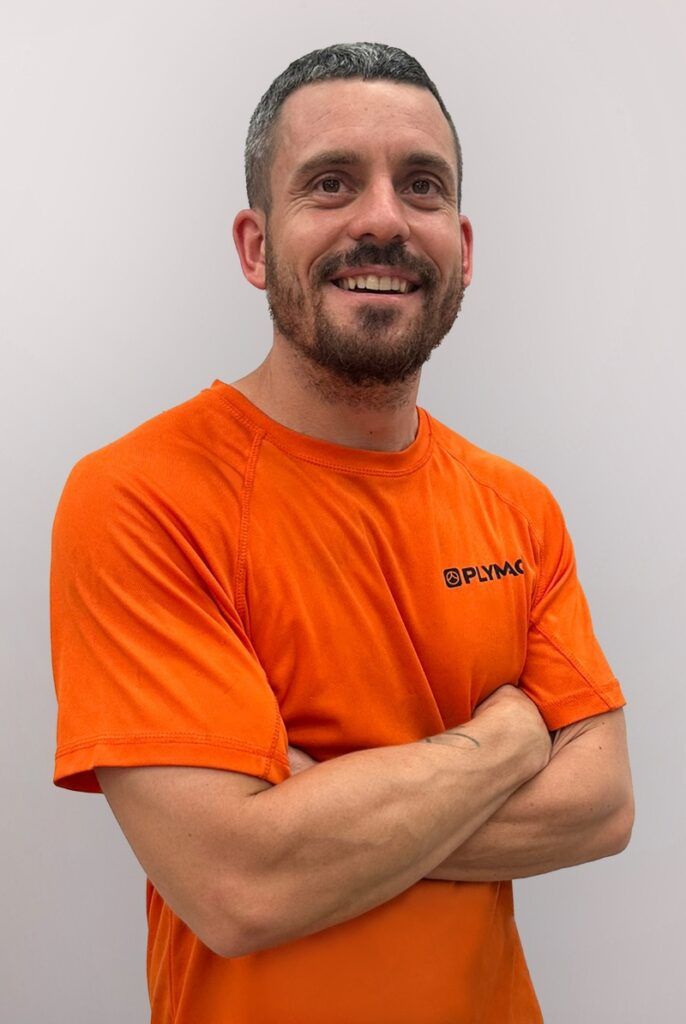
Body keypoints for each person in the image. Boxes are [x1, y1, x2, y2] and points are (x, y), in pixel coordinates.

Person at [50, 42, 634, 1024]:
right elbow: (238, 886)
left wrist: (319, 819)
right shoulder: (142, 496)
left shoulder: (517, 505)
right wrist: (505, 740)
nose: (382, 219)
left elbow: (603, 805)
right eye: (330, 183)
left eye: (421, 186)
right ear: (254, 247)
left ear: (462, 248)